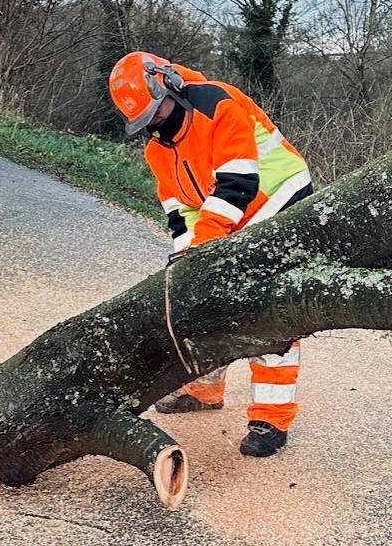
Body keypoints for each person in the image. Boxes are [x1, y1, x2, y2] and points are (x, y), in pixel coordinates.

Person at [107, 51, 314, 458]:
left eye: (157, 112)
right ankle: (204, 388)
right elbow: (180, 211)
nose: (156, 123)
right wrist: (187, 257)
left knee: (268, 313)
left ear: (167, 82)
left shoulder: (217, 104)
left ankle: (271, 418)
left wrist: (205, 244)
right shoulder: (157, 149)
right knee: (202, 300)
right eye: (146, 121)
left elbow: (238, 182)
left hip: (279, 200)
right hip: (227, 211)